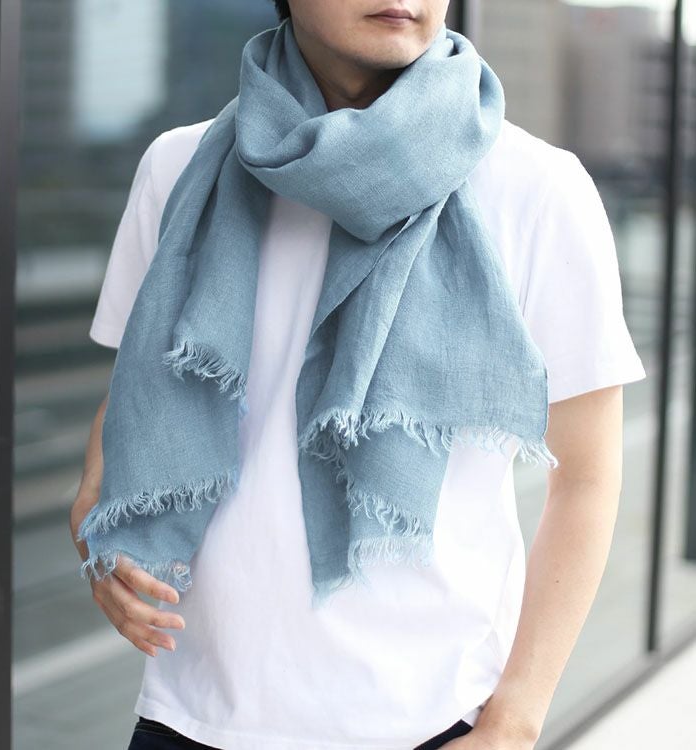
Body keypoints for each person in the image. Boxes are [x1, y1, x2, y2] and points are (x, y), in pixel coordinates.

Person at [69, 1, 647, 749]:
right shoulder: (179, 167)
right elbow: (133, 393)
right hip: (191, 712)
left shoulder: (534, 186)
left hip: (427, 719)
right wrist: (97, 522)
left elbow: (589, 477)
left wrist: (514, 723)